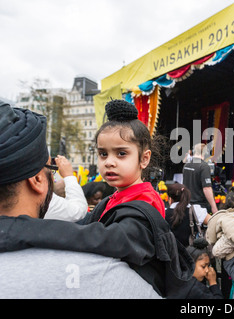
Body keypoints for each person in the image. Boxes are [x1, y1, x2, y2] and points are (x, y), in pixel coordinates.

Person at [0, 100, 194, 298]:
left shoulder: (146, 201)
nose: (109, 162)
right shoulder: (115, 197)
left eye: (121, 154)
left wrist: (26, 229)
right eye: (103, 154)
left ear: (144, 159)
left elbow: (110, 240)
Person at [206, 189, 234, 299]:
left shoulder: (226, 216)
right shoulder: (230, 218)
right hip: (233, 259)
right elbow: (233, 230)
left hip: (230, 258)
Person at [45, 155, 88, 222]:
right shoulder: (43, 200)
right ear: (37, 178)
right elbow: (78, 211)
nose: (52, 175)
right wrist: (69, 175)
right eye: (51, 169)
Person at [165, 182, 210, 247]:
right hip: (192, 253)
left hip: (171, 253)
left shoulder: (163, 213)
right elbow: (212, 221)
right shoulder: (196, 210)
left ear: (170, 199)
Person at [182, 143, 218, 214]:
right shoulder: (204, 166)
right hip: (200, 207)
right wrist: (214, 207)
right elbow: (207, 188)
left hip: (187, 205)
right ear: (205, 152)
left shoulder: (186, 165)